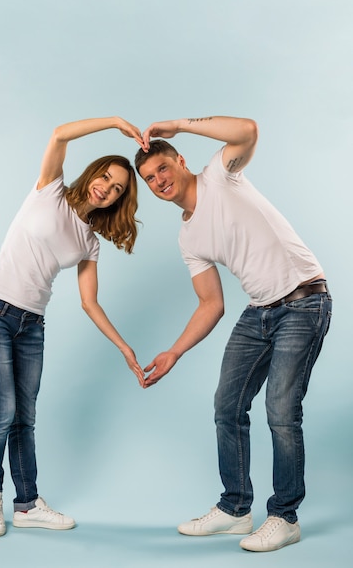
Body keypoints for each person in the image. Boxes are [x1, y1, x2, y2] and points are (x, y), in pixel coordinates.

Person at [135, 114, 332, 552]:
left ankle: (284, 517)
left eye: (163, 168)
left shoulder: (220, 177)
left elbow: (248, 130)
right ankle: (236, 509)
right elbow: (211, 303)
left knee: (280, 409)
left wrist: (180, 125)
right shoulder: (188, 237)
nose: (159, 180)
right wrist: (174, 352)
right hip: (260, 311)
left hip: (304, 301)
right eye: (149, 179)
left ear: (180, 161)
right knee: (227, 405)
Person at [0, 116, 145, 537]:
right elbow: (60, 134)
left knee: (24, 418)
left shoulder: (90, 241)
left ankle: (27, 504)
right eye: (106, 177)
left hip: (31, 325)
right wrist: (116, 122)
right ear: (93, 173)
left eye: (118, 188)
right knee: (3, 410)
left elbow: (90, 302)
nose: (108, 188)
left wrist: (124, 348)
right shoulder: (51, 190)